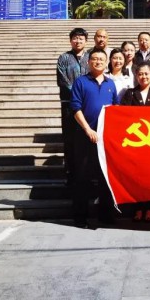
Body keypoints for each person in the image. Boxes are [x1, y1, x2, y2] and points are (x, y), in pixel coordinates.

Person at [70, 49, 119, 228]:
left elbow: (116, 109)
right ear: (88, 62)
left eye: (101, 59)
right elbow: (75, 108)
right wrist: (88, 129)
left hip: (104, 138)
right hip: (85, 136)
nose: (98, 62)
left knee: (105, 177)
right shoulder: (80, 82)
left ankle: (105, 215)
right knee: (82, 177)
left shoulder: (110, 83)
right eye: (95, 59)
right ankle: (80, 217)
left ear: (107, 63)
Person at [120, 62, 150, 222]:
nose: (143, 77)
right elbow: (123, 115)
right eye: (140, 74)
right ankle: (138, 208)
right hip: (136, 143)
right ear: (136, 76)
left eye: (146, 74)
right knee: (137, 177)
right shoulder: (130, 93)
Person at [56, 28, 90, 187]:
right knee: (70, 140)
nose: (78, 41)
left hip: (87, 106)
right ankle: (70, 175)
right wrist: (77, 94)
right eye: (75, 38)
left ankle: (87, 175)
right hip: (69, 106)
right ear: (70, 40)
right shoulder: (64, 58)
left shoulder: (91, 57)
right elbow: (62, 81)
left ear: (86, 41)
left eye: (81, 38)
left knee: (86, 140)